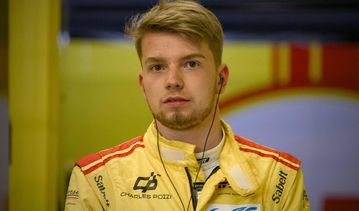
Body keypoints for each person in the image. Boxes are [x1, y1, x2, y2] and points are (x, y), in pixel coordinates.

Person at [64, 1, 310, 210]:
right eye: (157, 67)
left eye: (191, 64)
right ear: (143, 86)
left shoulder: (279, 176)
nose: (173, 81)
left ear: (221, 79)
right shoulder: (97, 179)